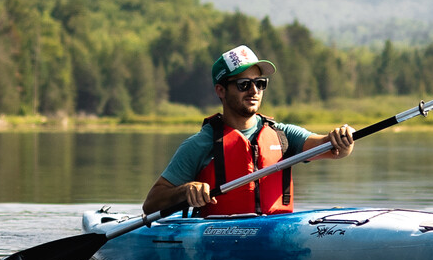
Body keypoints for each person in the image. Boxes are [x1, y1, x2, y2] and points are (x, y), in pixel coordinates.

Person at [143, 44, 354, 217]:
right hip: (219, 239)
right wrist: (185, 190)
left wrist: (342, 139)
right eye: (244, 84)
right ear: (221, 91)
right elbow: (151, 204)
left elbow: (333, 149)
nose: (254, 91)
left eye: (260, 83)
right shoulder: (199, 144)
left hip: (275, 232)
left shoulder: (283, 135)